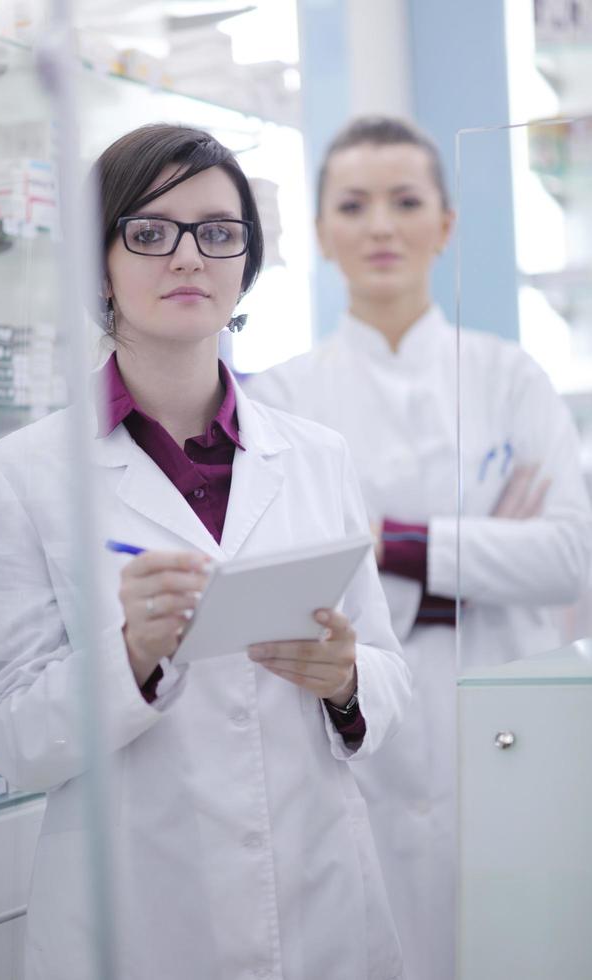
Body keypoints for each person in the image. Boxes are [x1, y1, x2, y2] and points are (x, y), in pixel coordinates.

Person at [0, 123, 411, 980]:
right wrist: (129, 656)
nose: (187, 257)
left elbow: (388, 672)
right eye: (149, 231)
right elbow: (15, 740)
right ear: (99, 264)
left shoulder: (316, 455)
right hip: (137, 919)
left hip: (321, 905)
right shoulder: (20, 477)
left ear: (245, 260)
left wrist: (348, 681)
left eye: (217, 231)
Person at [244, 116, 592, 980]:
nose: (381, 226)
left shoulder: (509, 375)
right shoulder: (283, 397)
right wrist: (482, 558)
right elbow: (295, 597)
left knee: (531, 943)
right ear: (322, 233)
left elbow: (571, 555)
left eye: (406, 202)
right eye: (353, 205)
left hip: (519, 715)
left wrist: (386, 543)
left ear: (445, 223)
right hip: (367, 740)